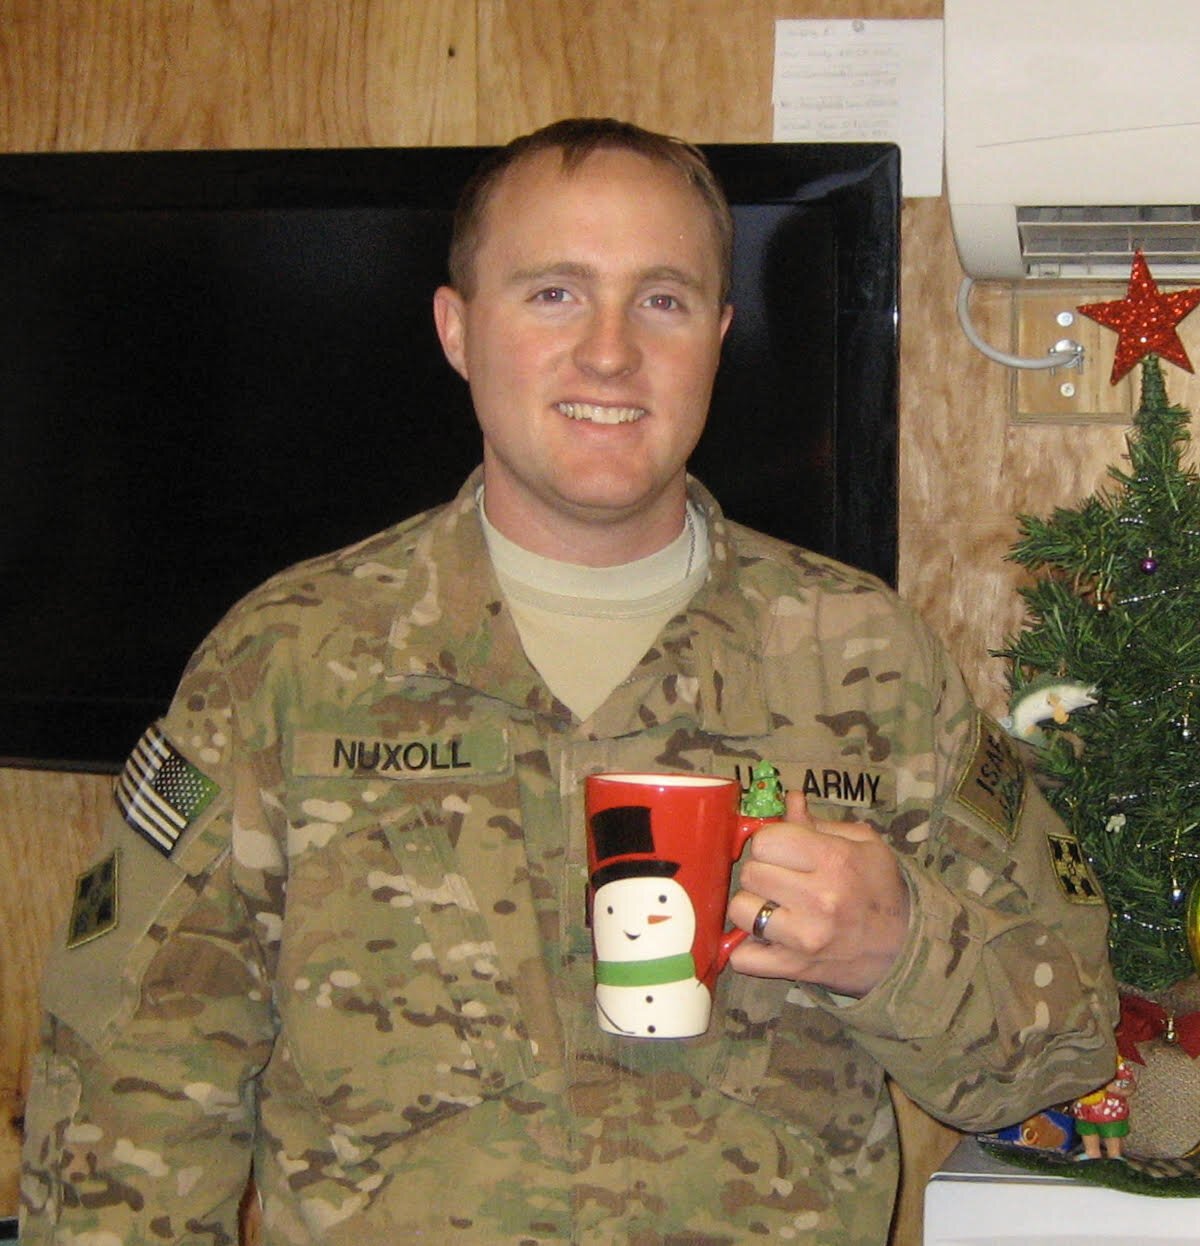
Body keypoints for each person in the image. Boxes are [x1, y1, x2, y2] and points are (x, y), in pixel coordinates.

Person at [21, 118, 1118, 1243]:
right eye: (553, 294)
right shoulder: (285, 666)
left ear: (720, 335)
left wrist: (896, 949)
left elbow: (1068, 1037)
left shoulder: (871, 662)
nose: (608, 352)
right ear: (457, 329)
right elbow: (127, 1096)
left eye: (663, 300)